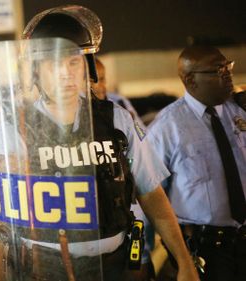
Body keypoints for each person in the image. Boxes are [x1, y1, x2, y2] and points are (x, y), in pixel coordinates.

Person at [0, 5, 198, 281]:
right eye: (53, 63)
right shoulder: (13, 131)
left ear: (86, 66)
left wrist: (184, 260)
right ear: (35, 72)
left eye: (73, 61)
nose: (65, 73)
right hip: (46, 272)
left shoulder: (116, 121)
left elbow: (151, 194)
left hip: (117, 267)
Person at [146, 46, 246, 281]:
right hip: (206, 248)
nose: (227, 74)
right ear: (190, 79)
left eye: (227, 66)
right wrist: (143, 255)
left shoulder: (239, 110)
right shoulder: (167, 127)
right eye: (217, 70)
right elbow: (148, 192)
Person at [92, 58, 155, 280]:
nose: (97, 85)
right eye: (91, 79)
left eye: (102, 79)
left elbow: (146, 170)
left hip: (128, 219)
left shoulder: (119, 110)